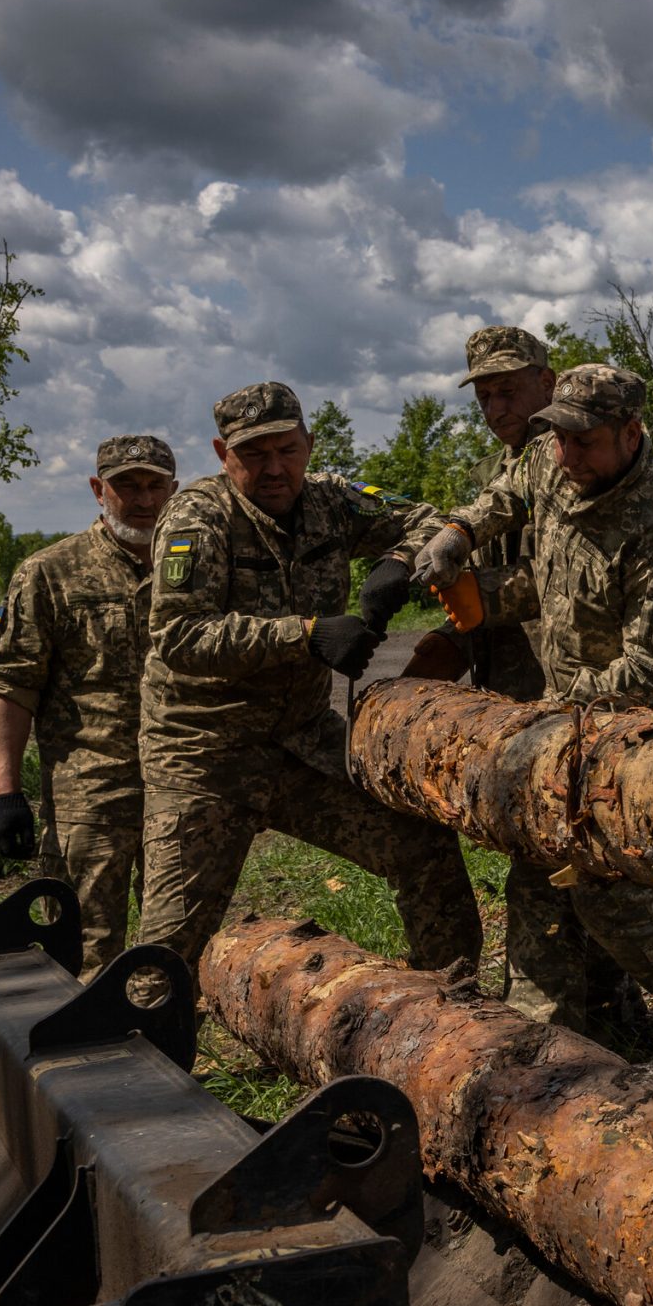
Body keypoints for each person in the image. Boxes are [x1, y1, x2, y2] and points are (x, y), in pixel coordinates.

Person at [416, 362, 653, 1042]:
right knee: (541, 869)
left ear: (629, 432)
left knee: (598, 882)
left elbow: (650, 672)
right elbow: (512, 501)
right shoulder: (554, 458)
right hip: (570, 720)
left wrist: (542, 714)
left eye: (583, 441)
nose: (564, 456)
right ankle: (553, 1034)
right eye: (556, 438)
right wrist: (460, 535)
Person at [139, 380, 483, 976]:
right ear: (224, 455)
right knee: (169, 945)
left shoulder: (332, 500)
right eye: (254, 454)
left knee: (420, 845)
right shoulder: (198, 518)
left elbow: (432, 519)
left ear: (309, 444)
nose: (274, 468)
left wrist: (396, 564)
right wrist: (305, 633)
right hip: (203, 755)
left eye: (287, 450)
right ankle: (143, 1053)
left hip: (302, 741)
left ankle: (451, 1009)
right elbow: (179, 636)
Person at [408, 324, 631, 1031]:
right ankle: (602, 1003)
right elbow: (483, 529)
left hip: (587, 687)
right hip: (524, 687)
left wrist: (482, 597)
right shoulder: (509, 469)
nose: (498, 404)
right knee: (567, 858)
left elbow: (571, 581)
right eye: (487, 392)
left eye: (511, 388)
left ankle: (549, 1019)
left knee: (563, 858)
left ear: (548, 380)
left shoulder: (585, 458)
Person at [0, 434, 177, 973]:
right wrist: (6, 794)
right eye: (125, 486)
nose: (141, 499)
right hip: (90, 796)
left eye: (154, 485)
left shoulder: (197, 570)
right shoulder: (49, 572)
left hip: (182, 787)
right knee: (86, 950)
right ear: (98, 489)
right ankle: (82, 1054)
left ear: (174, 491)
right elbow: (12, 685)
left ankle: (165, 1050)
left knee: (181, 949)